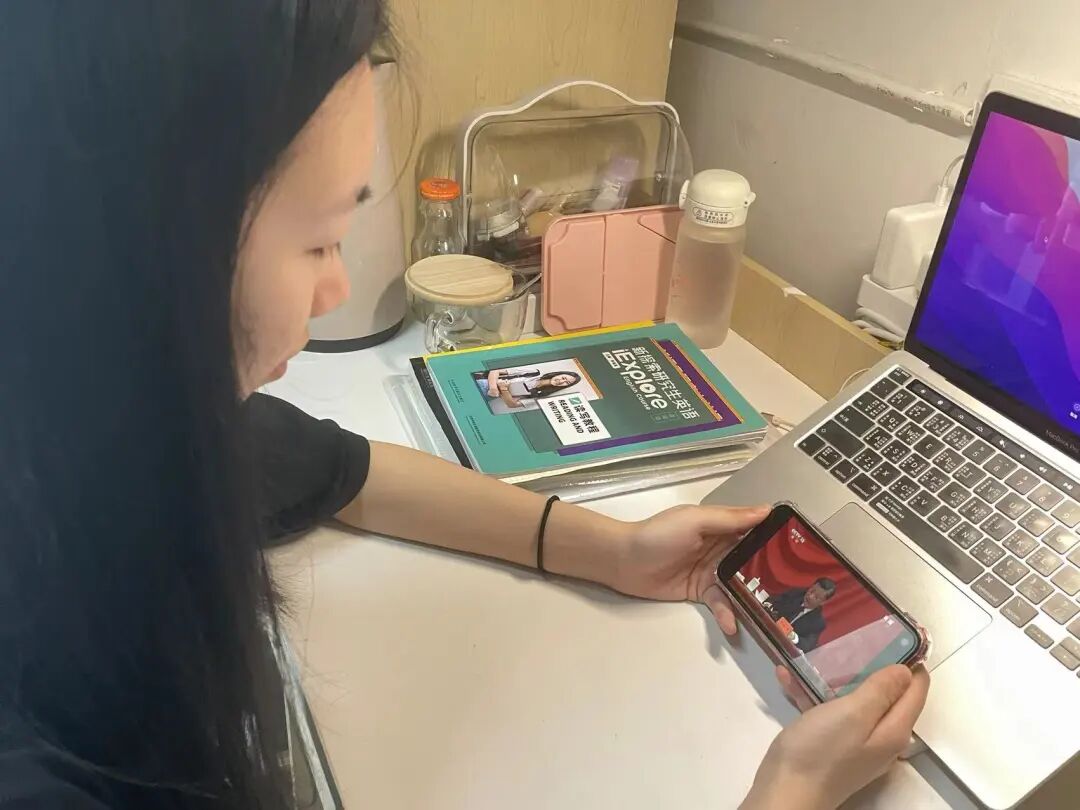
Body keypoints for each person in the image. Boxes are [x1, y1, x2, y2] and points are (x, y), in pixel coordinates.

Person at [0, 3, 928, 809]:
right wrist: (790, 793)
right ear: (149, 242)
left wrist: (609, 549)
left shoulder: (111, 425)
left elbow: (346, 472)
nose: (335, 289)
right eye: (319, 241)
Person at [768, 578, 838, 652]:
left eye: (816, 597)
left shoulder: (818, 623)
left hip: (780, 648)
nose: (810, 597)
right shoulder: (795, 594)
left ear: (823, 602)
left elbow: (807, 645)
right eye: (811, 591)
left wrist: (793, 636)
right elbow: (773, 601)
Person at [473, 368, 583, 409]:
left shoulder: (541, 396)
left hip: (488, 398)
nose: (562, 381)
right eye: (563, 377)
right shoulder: (534, 372)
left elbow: (512, 405)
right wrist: (493, 388)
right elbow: (494, 371)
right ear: (559, 373)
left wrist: (504, 389)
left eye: (566, 383)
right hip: (483, 383)